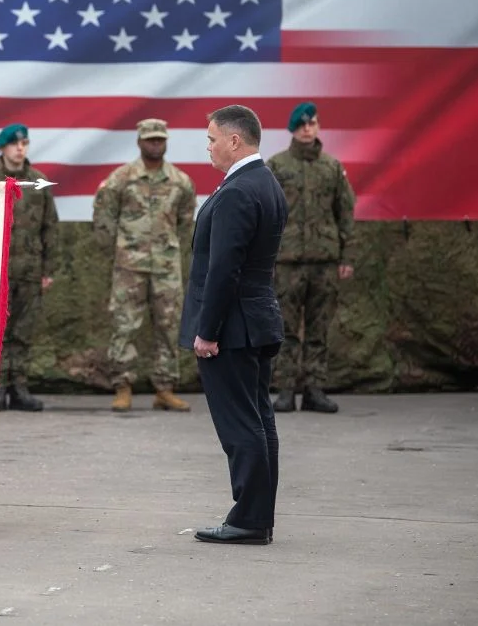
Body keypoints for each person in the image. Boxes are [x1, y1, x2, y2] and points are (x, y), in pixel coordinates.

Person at [179, 105, 287, 545]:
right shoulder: (264, 183)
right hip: (256, 319)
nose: (207, 146)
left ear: (234, 141)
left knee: (241, 425)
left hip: (234, 327)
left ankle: (249, 518)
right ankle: (256, 515)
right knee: (259, 421)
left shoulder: (240, 190)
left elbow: (224, 269)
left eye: (211, 138)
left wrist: (207, 331)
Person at [93, 119, 196, 413]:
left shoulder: (180, 182)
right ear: (139, 142)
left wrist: (172, 249)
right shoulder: (121, 179)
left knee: (169, 325)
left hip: (166, 265)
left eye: (160, 139)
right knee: (124, 324)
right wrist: (117, 250)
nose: (155, 144)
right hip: (129, 265)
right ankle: (122, 386)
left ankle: (164, 388)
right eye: (150, 139)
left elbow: (186, 223)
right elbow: (104, 217)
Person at [266, 102, 356, 413]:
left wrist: (347, 256)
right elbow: (265, 213)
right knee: (286, 328)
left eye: (313, 123)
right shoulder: (277, 166)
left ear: (318, 127)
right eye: (302, 124)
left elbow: (345, 213)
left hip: (324, 260)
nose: (308, 128)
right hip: (287, 260)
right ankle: (287, 389)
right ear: (293, 128)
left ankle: (315, 389)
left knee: (319, 328)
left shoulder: (332, 167)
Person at [0, 124, 58, 412]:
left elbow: (50, 226)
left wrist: (48, 269)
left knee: (24, 331)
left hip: (29, 269)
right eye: (14, 144)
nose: (20, 148)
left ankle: (19, 387)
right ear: (2, 148)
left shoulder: (38, 183)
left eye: (24, 143)